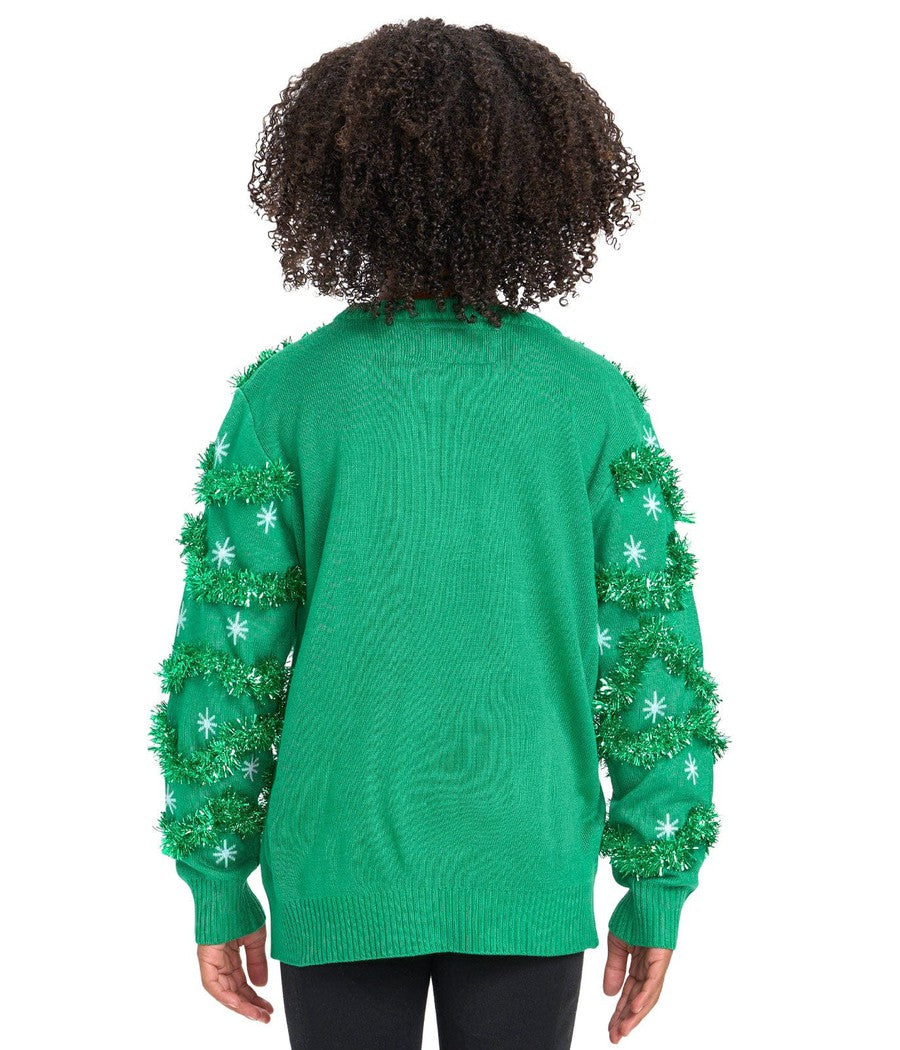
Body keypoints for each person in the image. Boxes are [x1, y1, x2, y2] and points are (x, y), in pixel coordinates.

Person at [148, 17, 729, 1049]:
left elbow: (226, 664)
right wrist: (657, 882)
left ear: (341, 183)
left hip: (337, 865)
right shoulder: (592, 402)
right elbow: (656, 661)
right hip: (526, 859)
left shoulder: (287, 399)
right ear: (543, 185)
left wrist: (217, 877)